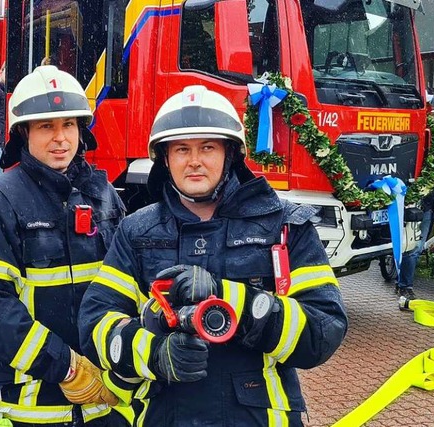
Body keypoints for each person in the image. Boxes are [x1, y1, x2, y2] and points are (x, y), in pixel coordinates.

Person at [78, 85, 348, 426]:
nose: (194, 161)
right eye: (181, 149)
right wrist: (155, 355)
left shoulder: (283, 226)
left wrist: (229, 299)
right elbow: (95, 324)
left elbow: (323, 332)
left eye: (207, 147)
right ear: (164, 158)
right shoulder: (136, 232)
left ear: (230, 153)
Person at [0, 66, 127, 426]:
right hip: (29, 408)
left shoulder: (103, 194)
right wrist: (65, 366)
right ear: (24, 133)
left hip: (103, 404)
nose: (61, 138)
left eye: (69, 125)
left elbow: (129, 285)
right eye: (46, 126)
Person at [396, 121, 434, 299]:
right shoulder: (423, 156)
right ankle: (405, 286)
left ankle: (402, 283)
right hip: (418, 208)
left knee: (415, 248)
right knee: (415, 248)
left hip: (429, 209)